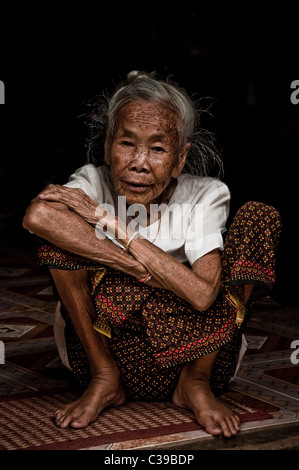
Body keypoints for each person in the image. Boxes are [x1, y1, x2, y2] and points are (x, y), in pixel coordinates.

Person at [22, 70, 281, 438]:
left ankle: (196, 383)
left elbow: (204, 293)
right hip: (107, 346)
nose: (140, 162)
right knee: (57, 231)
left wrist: (111, 224)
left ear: (179, 159)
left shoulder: (206, 194)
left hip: (197, 351)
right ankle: (104, 377)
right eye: (127, 144)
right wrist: (143, 270)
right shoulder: (92, 181)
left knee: (259, 217)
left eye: (158, 149)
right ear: (108, 144)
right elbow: (38, 215)